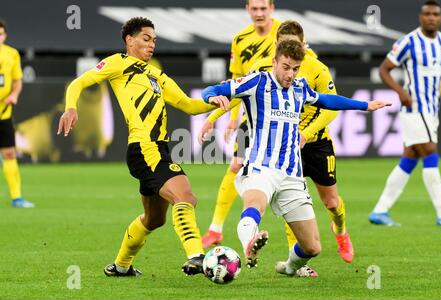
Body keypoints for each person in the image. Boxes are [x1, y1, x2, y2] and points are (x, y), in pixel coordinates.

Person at [202, 40, 390, 276]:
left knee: (312, 247)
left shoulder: (300, 88)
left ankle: (289, 267)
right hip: (261, 167)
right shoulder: (256, 82)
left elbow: (326, 100)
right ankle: (249, 243)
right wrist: (211, 99)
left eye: (295, 68)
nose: (290, 74)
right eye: (286, 67)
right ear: (274, 62)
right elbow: (212, 90)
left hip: (292, 175)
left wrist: (364, 105)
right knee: (253, 206)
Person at [57, 17, 221, 277]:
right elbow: (78, 83)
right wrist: (71, 107)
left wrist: (219, 101)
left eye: (154, 40)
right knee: (185, 197)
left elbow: (189, 105)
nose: (151, 44)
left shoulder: (156, 74)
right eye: (146, 39)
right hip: (145, 148)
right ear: (129, 40)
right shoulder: (117, 64)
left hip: (158, 150)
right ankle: (196, 256)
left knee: (155, 219)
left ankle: (121, 266)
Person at [201, 0, 282, 248]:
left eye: (263, 8)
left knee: (288, 178)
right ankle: (216, 228)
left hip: (281, 117)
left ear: (272, 8)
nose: (259, 13)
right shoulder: (240, 39)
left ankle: (301, 250)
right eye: (254, 9)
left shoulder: (285, 33)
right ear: (248, 9)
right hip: (252, 115)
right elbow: (238, 82)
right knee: (235, 165)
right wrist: (232, 119)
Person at [369, 0, 441, 227]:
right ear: (420, 17)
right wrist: (400, 92)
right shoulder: (409, 42)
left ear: (440, 18)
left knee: (410, 158)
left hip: (431, 110)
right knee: (431, 154)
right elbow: (384, 69)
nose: (431, 18)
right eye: (427, 14)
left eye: (435, 14)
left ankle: (379, 211)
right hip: (414, 108)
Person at [0, 20, 34, 208]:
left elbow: (17, 81)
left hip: (4, 113)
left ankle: (16, 198)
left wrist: (13, 95)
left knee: (10, 153)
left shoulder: (12, 54)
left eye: (1, 34)